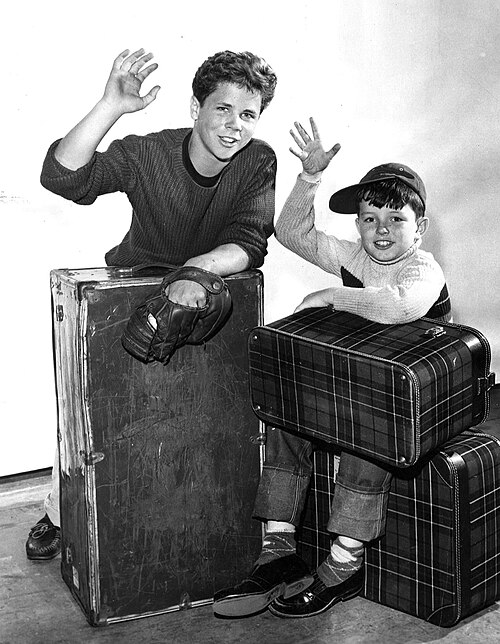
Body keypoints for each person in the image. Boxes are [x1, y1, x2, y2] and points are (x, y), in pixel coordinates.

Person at [27, 47, 278, 561]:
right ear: (195, 108)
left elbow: (249, 241)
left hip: (205, 288)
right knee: (103, 411)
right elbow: (64, 178)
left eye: (248, 114)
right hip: (135, 288)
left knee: (196, 416)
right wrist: (110, 107)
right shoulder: (150, 153)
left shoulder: (258, 160)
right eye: (223, 109)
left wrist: (194, 274)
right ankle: (60, 508)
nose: (234, 126)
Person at [213, 118, 451, 618]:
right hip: (362, 385)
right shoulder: (356, 256)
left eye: (395, 219)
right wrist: (310, 178)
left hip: (408, 404)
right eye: (368, 219)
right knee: (284, 415)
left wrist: (328, 296)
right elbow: (293, 232)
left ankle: (344, 564)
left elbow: (400, 306)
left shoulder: (423, 268)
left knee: (366, 439)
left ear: (419, 227)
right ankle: (280, 547)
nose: (380, 230)